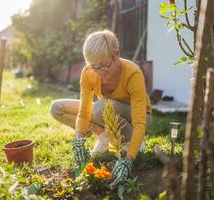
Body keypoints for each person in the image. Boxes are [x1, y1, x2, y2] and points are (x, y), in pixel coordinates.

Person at [50, 30, 152, 188]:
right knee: (57, 107)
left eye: (103, 66)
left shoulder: (133, 73)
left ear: (116, 55)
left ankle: (131, 143)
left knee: (101, 107)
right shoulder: (88, 72)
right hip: (106, 111)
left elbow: (140, 122)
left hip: (137, 118)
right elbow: (84, 112)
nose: (98, 72)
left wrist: (128, 159)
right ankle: (103, 133)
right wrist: (79, 137)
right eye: (93, 66)